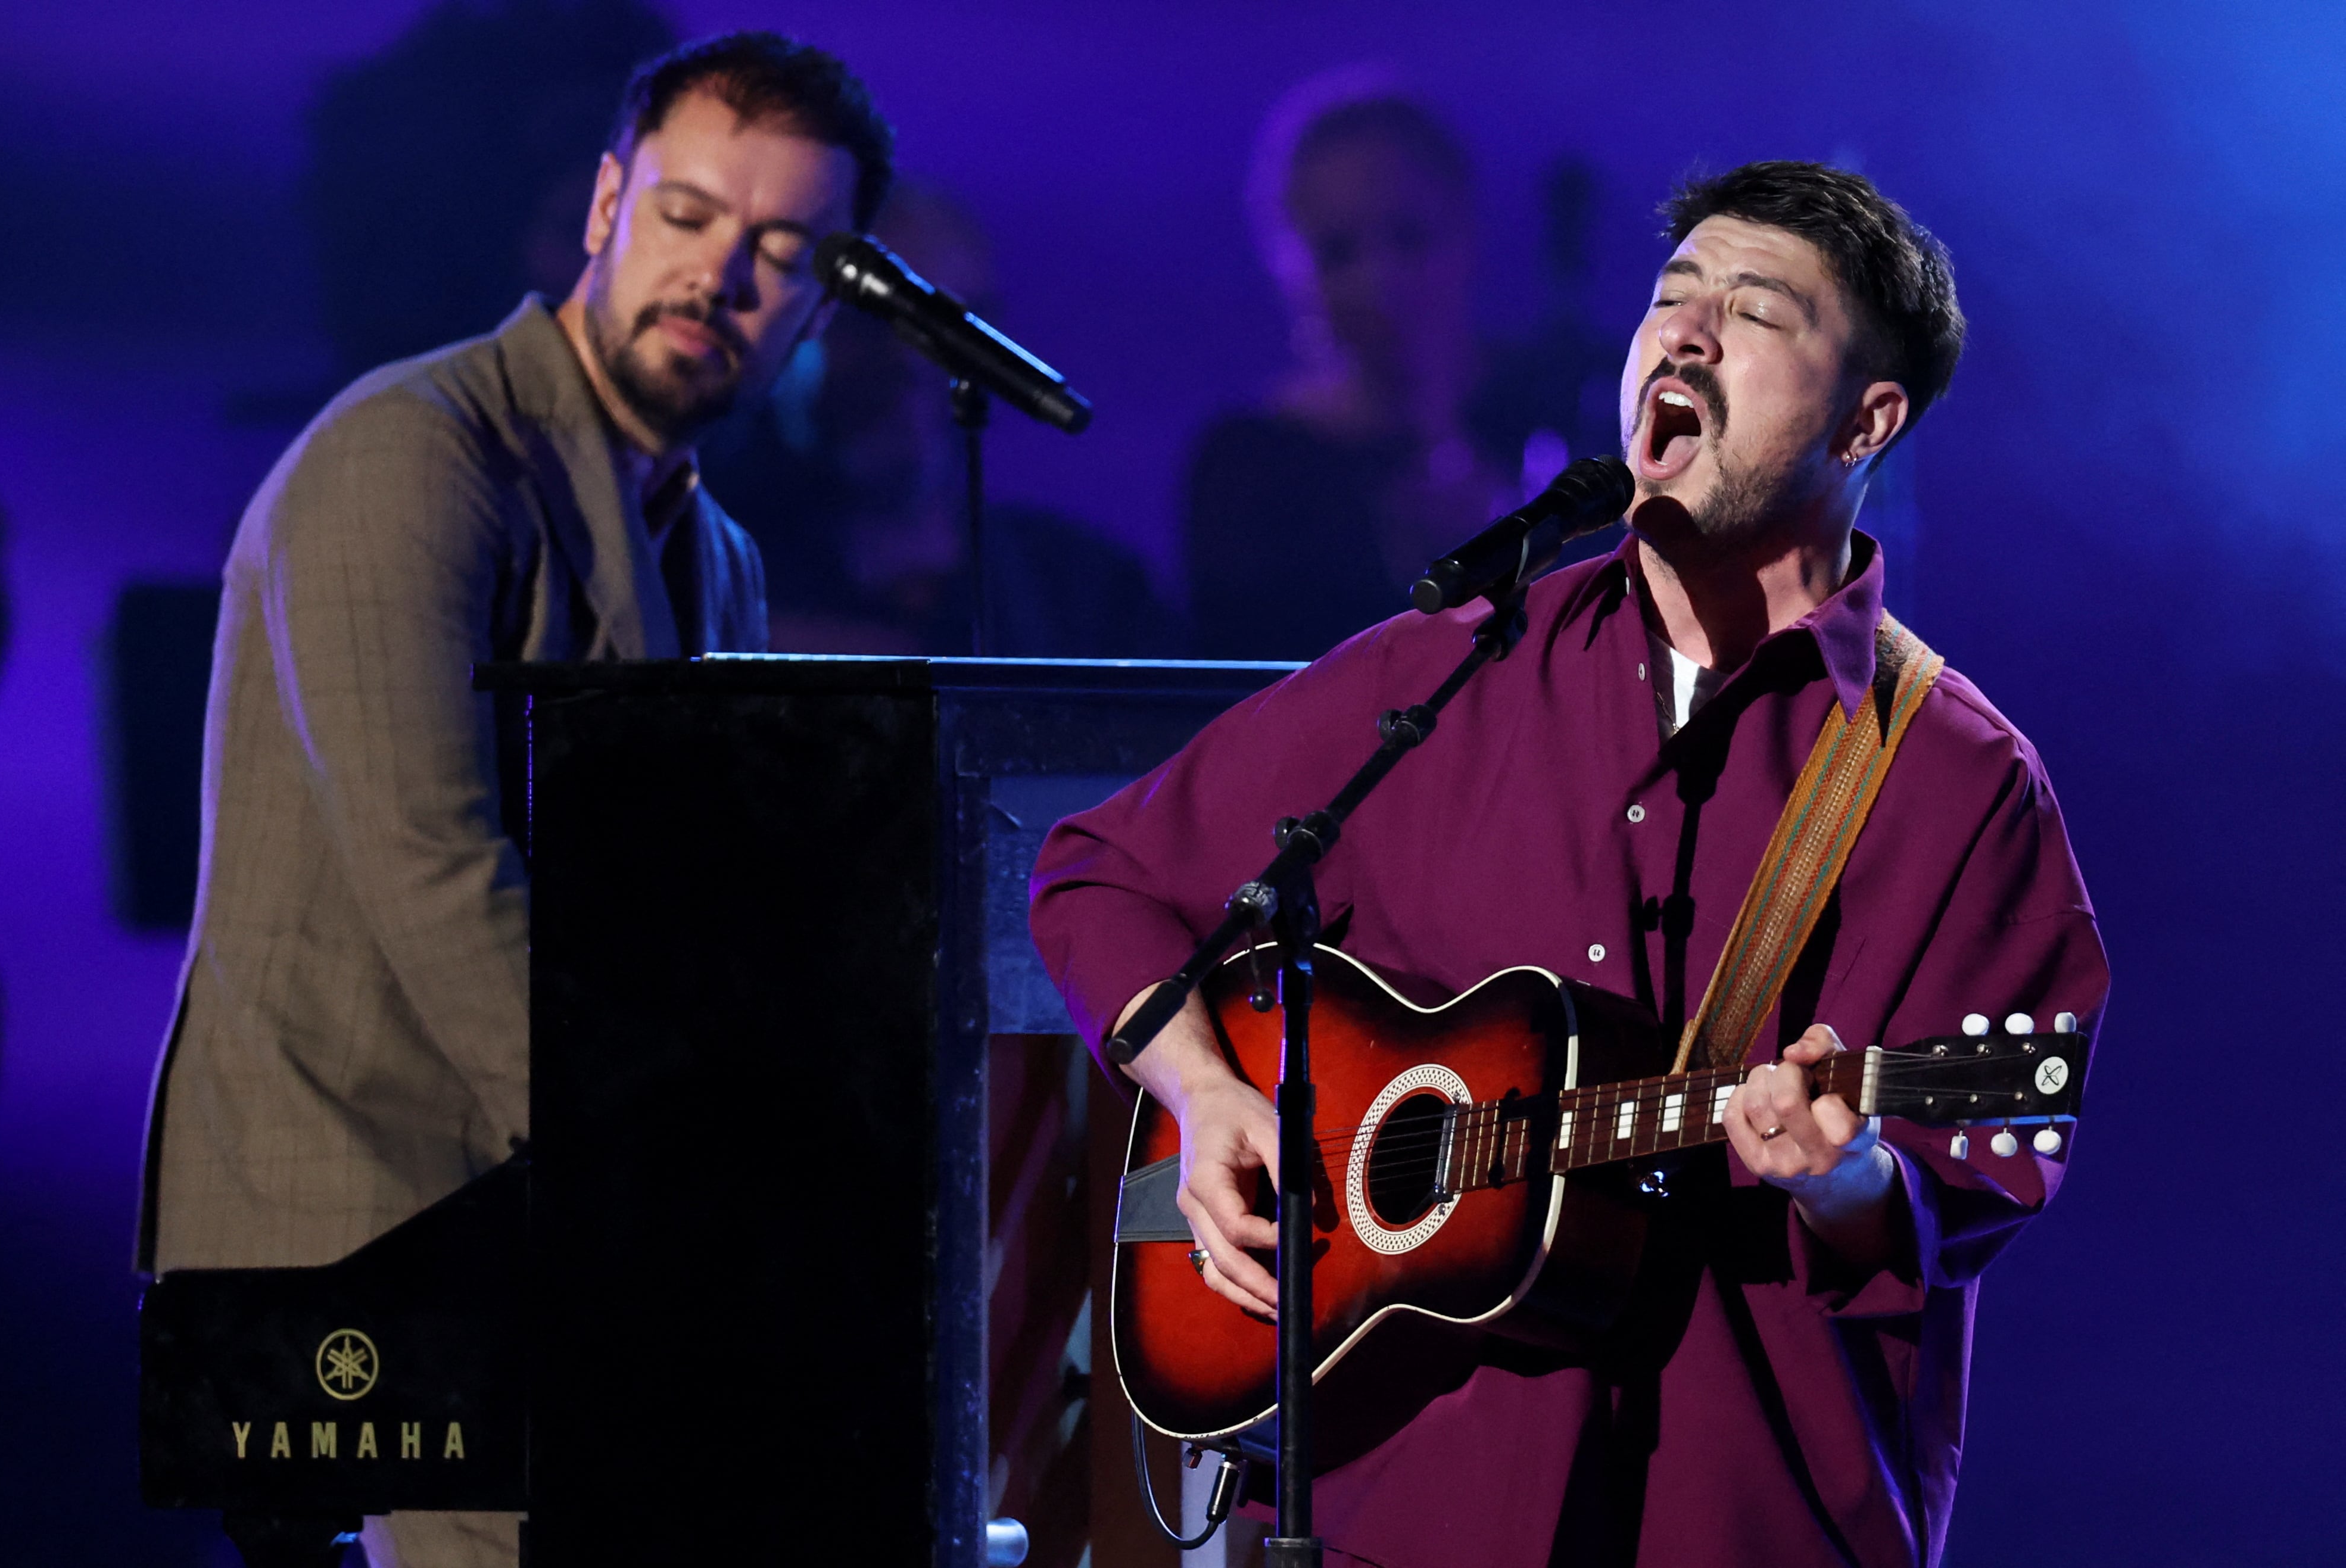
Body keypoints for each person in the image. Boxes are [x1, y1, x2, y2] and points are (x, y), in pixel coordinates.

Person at [1033, 162, 2108, 1566]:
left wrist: (1840, 1179)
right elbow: (1097, 873)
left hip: (1737, 1518)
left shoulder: (1957, 779)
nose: (1687, 335)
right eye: (1670, 303)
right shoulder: (1454, 665)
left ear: (1867, 420)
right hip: (1407, 1505)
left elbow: (1978, 1163)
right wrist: (1204, 1091)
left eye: (1753, 311)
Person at [135, 32, 892, 1568]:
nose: (721, 277)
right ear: (607, 201)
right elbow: (438, 875)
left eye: (779, 249)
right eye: (688, 217)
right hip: (359, 1218)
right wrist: (688, 1178)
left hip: (555, 1225)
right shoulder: (414, 456)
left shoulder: (716, 549)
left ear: (822, 294)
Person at [1183, 77, 1611, 662]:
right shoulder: (1251, 469)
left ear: (1468, 232)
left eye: (1409, 237)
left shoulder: (1573, 409)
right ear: (1288, 270)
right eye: (1338, 251)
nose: (1378, 279)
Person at [699, 182, 1185, 657]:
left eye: (939, 329)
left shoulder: (1089, 593)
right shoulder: (710, 570)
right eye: (870, 324)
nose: (905, 363)